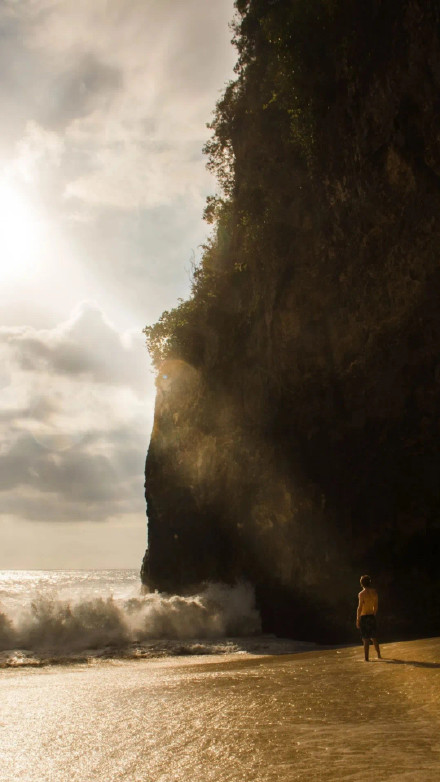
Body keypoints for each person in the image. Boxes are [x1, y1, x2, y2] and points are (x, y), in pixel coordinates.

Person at [356, 574, 381, 661]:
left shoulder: (361, 594)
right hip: (371, 616)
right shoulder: (374, 592)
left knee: (365, 639)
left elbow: (359, 608)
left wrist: (358, 619)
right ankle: (379, 655)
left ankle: (366, 659)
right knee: (374, 637)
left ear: (361, 583)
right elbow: (376, 606)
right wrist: (373, 615)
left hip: (364, 617)